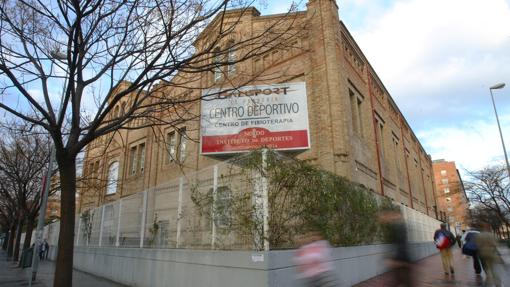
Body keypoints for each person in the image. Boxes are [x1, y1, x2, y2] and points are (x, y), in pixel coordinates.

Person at [378, 207, 414, 287]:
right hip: (402, 261)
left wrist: (396, 260)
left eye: (384, 215)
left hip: (402, 261)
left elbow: (401, 244)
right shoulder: (398, 225)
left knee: (404, 282)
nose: (383, 218)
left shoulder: (398, 226)